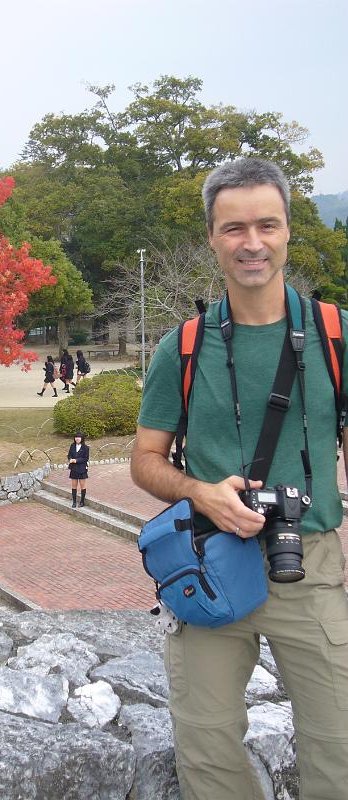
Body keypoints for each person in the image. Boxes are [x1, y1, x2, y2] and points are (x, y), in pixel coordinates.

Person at [130, 157, 348, 800]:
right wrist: (200, 492)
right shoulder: (186, 346)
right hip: (213, 562)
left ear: (287, 232)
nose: (252, 243)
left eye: (267, 225)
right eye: (234, 229)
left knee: (337, 743)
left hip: (309, 562)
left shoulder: (336, 336)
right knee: (206, 739)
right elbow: (144, 460)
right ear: (212, 238)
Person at [68, 431, 89, 507]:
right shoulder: (72, 446)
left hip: (82, 469)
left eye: (79, 437)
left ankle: (82, 501)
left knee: (82, 486)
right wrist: (70, 459)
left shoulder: (86, 448)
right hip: (73, 468)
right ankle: (74, 502)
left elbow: (85, 459)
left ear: (82, 438)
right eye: (76, 437)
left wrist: (76, 460)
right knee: (74, 486)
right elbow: (69, 455)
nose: (77, 438)